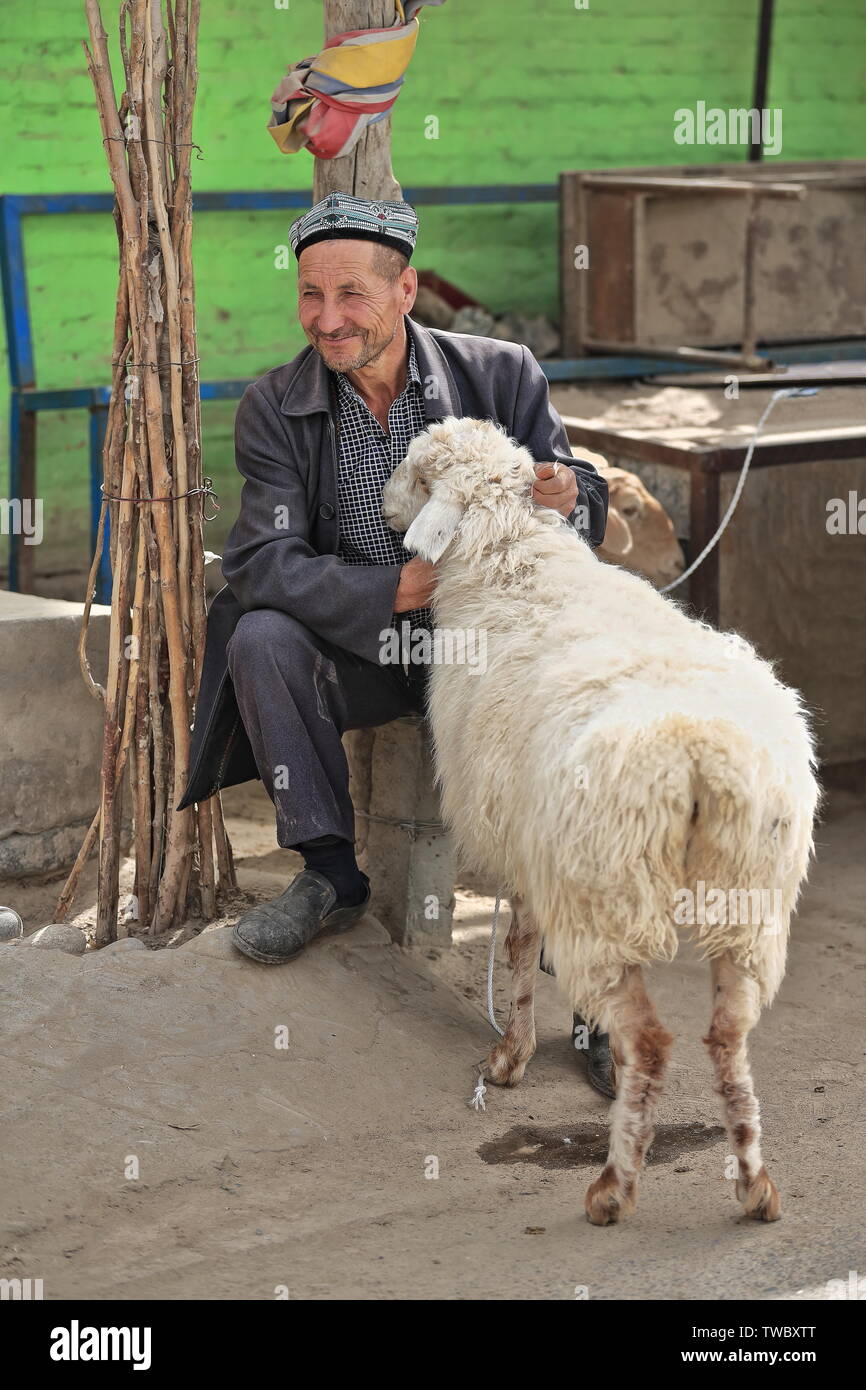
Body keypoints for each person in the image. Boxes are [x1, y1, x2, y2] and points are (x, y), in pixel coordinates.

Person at [178, 192, 614, 1096]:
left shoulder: (502, 374)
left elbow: (581, 500)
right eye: (310, 295)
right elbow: (261, 559)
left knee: (586, 731)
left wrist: (571, 490)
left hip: (495, 653)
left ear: (405, 289)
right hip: (373, 647)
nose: (327, 319)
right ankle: (330, 875)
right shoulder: (276, 405)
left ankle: (594, 983)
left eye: (350, 294)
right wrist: (394, 589)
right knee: (259, 635)